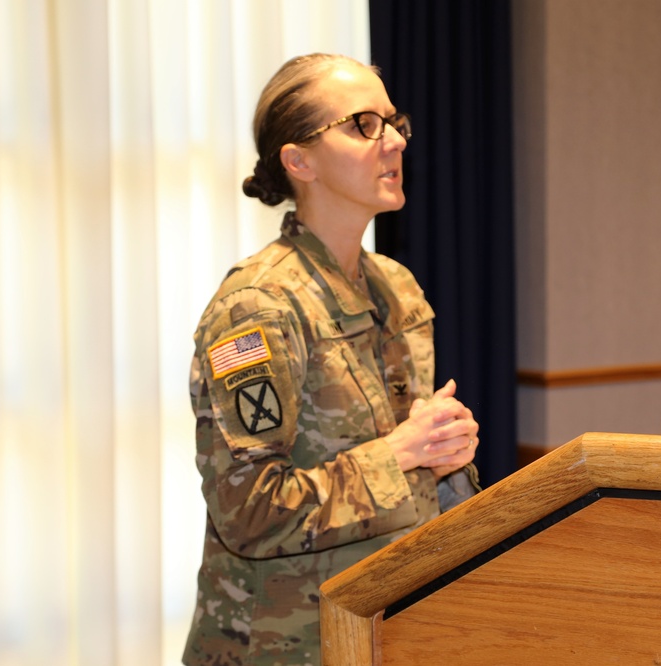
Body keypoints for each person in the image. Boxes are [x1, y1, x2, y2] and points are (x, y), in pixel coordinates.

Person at [182, 53, 481, 666]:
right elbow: (250, 513)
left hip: (384, 633)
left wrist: (448, 456)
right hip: (278, 648)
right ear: (299, 161)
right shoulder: (257, 307)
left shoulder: (396, 288)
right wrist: (402, 453)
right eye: (363, 124)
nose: (394, 139)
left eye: (394, 121)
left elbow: (415, 477)